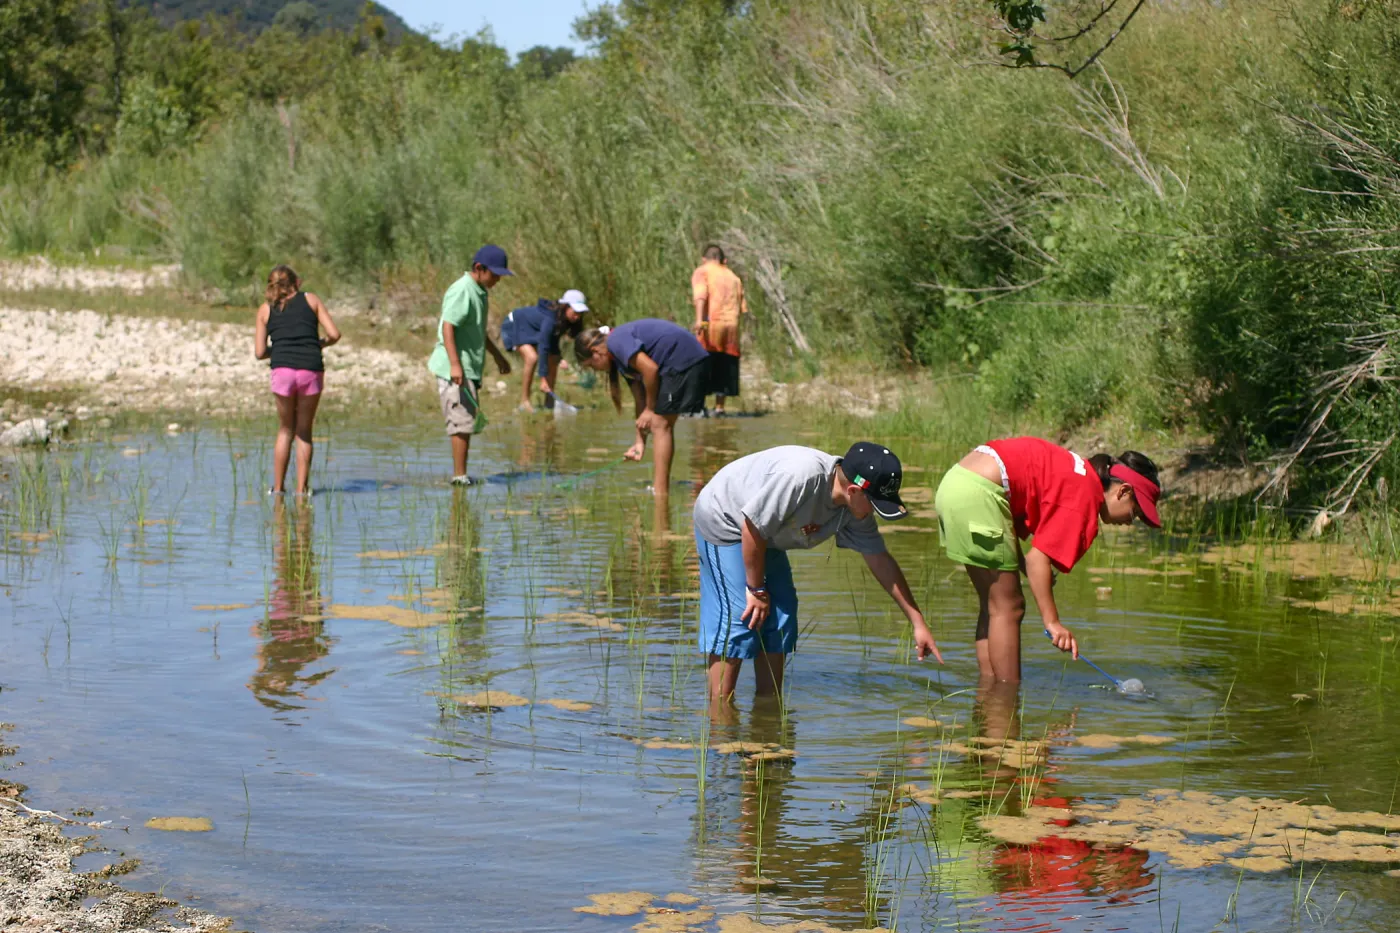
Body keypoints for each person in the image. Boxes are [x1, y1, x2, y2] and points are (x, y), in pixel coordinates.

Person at [692, 443, 943, 701]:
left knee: (781, 616)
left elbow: (879, 559)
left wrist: (917, 621)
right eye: (875, 503)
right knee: (741, 617)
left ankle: (768, 707)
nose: (874, 513)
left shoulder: (854, 507)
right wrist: (756, 589)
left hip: (767, 532)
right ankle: (720, 716)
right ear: (854, 490)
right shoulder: (800, 479)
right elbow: (752, 528)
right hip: (727, 520)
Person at [933, 438, 1162, 683]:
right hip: (979, 494)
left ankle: (989, 695)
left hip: (958, 483)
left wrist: (1021, 566)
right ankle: (1006, 702)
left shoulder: (1079, 474)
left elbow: (1024, 546)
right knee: (1009, 607)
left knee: (995, 606)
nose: (1131, 521)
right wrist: (1053, 622)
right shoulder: (1085, 496)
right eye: (1135, 512)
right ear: (1123, 491)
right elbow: (1037, 560)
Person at [573, 319, 709, 492]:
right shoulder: (621, 360)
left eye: (591, 365)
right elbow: (640, 399)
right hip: (687, 359)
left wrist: (650, 410)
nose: (596, 370)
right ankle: (661, 489)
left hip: (683, 358)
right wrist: (639, 442)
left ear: (595, 352)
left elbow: (651, 370)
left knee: (660, 425)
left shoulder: (616, 342)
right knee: (661, 424)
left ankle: (660, 492)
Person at [427, 245, 514, 485]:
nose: (497, 279)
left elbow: (478, 330)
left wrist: (498, 356)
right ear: (479, 268)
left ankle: (461, 474)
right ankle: (459, 477)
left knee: (466, 418)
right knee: (461, 421)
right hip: (454, 367)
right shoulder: (463, 290)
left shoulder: (479, 291)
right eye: (494, 274)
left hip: (467, 367)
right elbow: (448, 326)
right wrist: (455, 364)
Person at [253, 264, 340, 496]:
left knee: (285, 429)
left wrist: (280, 350)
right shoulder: (311, 300)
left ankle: (279, 489)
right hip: (311, 368)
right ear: (296, 283)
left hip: (282, 371)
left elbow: (260, 352)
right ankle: (302, 490)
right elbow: (335, 334)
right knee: (304, 430)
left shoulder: (265, 309)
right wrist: (319, 344)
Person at [499, 289, 589, 411]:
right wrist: (543, 378)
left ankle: (549, 401)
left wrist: (560, 357)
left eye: (580, 313)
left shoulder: (564, 319)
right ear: (565, 306)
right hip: (513, 324)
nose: (577, 316)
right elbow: (544, 345)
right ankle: (524, 402)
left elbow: (553, 340)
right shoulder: (550, 319)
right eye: (575, 311)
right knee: (531, 358)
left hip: (531, 330)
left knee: (554, 358)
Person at [691, 245, 749, 416]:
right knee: (725, 363)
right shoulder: (733, 277)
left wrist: (699, 320)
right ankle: (719, 408)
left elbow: (701, 295)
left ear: (704, 259)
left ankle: (699, 406)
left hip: (712, 323)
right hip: (731, 325)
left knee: (702, 361)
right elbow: (742, 307)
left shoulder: (703, 271)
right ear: (724, 260)